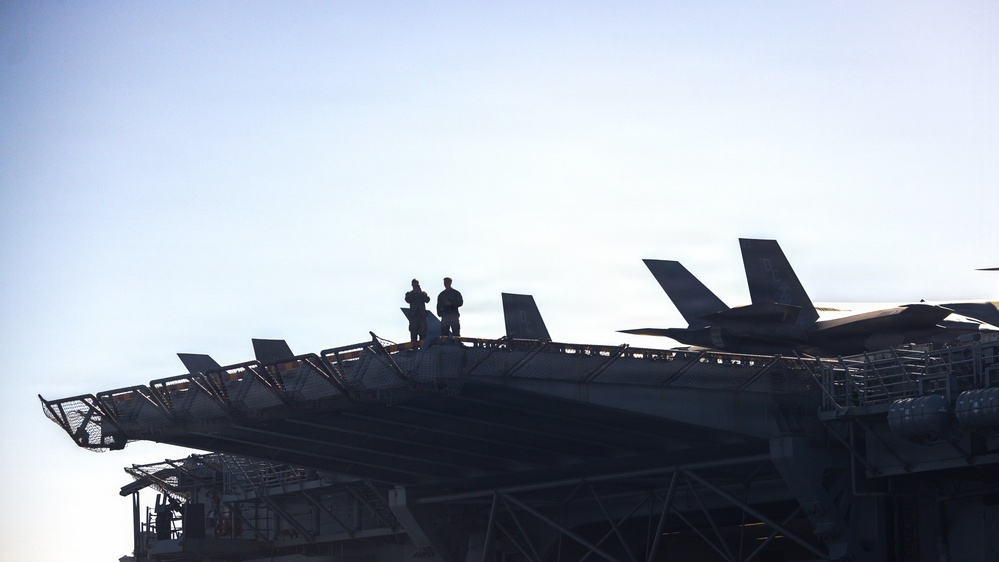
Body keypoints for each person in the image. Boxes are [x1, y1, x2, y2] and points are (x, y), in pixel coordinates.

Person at [404, 278, 430, 343]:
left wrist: (420, 293)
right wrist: (414, 293)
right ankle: (414, 349)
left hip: (422, 316)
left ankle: (423, 349)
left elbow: (427, 300)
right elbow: (407, 300)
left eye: (416, 285)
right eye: (414, 285)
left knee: (423, 333)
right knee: (413, 334)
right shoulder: (409, 294)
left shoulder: (422, 294)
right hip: (414, 316)